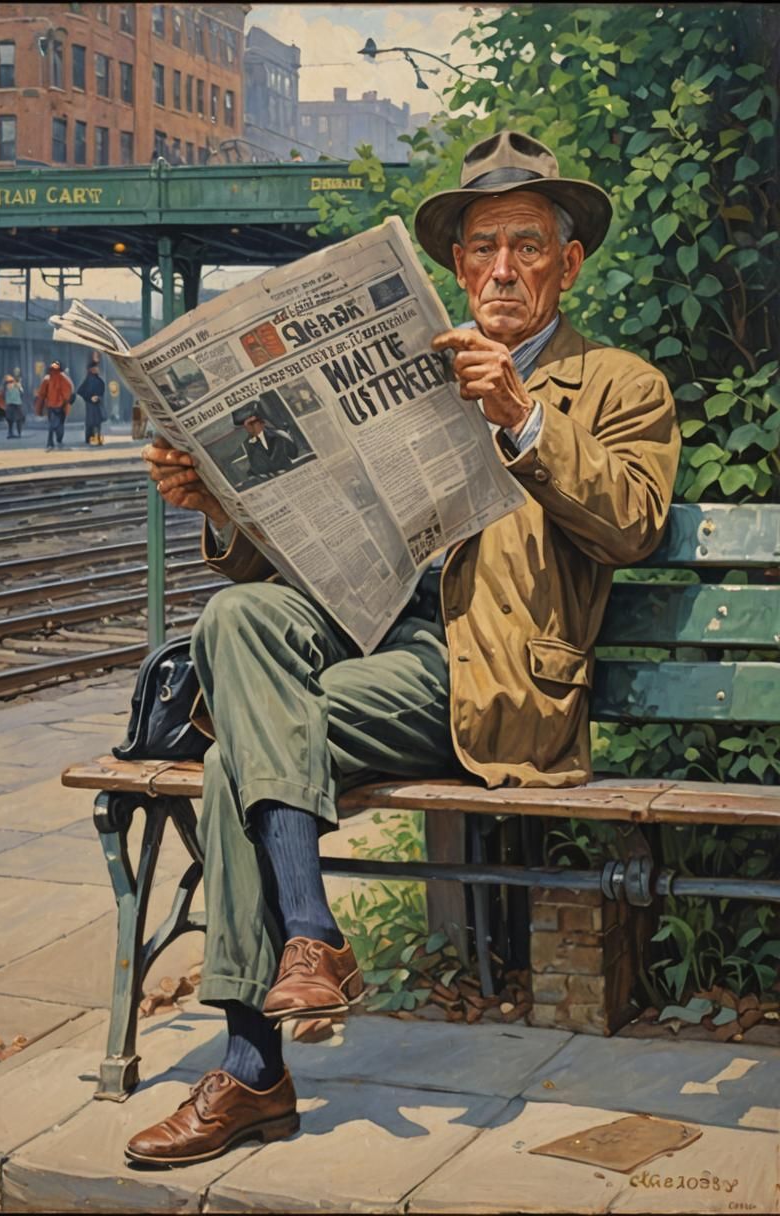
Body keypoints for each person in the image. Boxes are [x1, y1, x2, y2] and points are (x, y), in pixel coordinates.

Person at [127, 129, 680, 1166]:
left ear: (567, 264)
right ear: (456, 266)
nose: (502, 268)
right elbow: (287, 557)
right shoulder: (411, 366)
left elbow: (634, 523)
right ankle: (309, 934)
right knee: (234, 620)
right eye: (483, 248)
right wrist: (220, 503)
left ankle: (252, 1065)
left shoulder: (616, 384)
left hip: (482, 673)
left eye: (526, 245)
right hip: (362, 637)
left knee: (241, 750)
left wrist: (523, 419)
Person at [237, 406, 298, 482]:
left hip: (289, 475)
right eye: (246, 426)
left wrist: (288, 437)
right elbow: (254, 465)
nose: (250, 428)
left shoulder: (279, 434)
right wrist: (253, 475)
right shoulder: (248, 444)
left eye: (252, 423)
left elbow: (294, 454)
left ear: (262, 423)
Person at [34, 359, 74, 451]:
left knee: (53, 425)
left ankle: (52, 442)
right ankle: (53, 441)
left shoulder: (49, 379)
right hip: (59, 406)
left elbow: (41, 394)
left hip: (54, 406)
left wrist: (39, 407)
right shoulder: (62, 378)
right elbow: (68, 392)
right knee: (57, 425)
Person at [78, 359, 106, 446]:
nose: (97, 369)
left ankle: (97, 438)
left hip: (97, 404)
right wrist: (89, 398)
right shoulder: (88, 380)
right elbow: (80, 391)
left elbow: (102, 391)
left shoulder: (99, 381)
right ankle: (89, 438)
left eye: (97, 368)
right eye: (95, 368)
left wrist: (98, 397)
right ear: (91, 369)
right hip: (90, 405)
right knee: (90, 423)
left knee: (97, 423)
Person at [3, 374, 25, 439]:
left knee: (14, 420)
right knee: (14, 419)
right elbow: (22, 393)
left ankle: (14, 433)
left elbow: (21, 393)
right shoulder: (10, 385)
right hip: (14, 404)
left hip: (13, 404)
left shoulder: (15, 385)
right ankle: (14, 433)